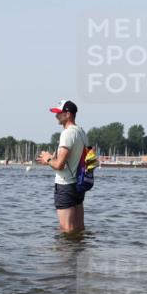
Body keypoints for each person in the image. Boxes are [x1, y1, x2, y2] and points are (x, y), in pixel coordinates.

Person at [37, 100, 88, 234]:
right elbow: (74, 160)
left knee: (67, 231)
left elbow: (60, 165)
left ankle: (66, 255)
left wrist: (48, 158)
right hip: (79, 184)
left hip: (66, 186)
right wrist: (49, 161)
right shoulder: (82, 132)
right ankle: (79, 253)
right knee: (79, 229)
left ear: (68, 114)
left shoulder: (67, 134)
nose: (56, 116)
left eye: (59, 113)